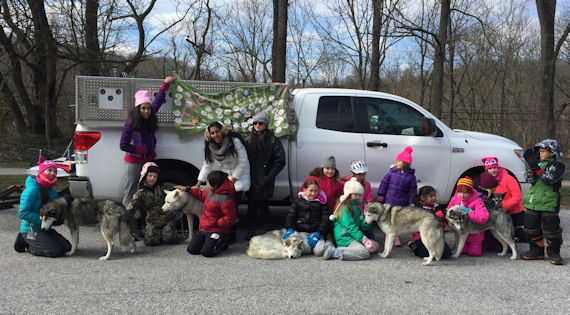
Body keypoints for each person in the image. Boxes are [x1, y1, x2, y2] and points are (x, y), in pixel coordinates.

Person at [120, 76, 176, 207]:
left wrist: (165, 84)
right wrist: (139, 150)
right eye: (143, 108)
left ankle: (141, 214)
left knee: (146, 188)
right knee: (131, 189)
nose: (146, 111)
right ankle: (126, 214)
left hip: (148, 160)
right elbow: (123, 144)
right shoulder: (131, 123)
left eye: (148, 108)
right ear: (138, 108)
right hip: (134, 162)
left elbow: (158, 101)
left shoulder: (150, 116)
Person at [195, 121, 250, 241]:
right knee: (222, 206)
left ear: (222, 131)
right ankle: (222, 233)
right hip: (225, 175)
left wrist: (233, 180)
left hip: (239, 174)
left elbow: (243, 162)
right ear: (209, 135)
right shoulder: (210, 145)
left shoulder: (234, 142)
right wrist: (199, 183)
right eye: (212, 133)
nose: (215, 135)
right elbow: (207, 164)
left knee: (232, 206)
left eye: (217, 132)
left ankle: (231, 236)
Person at [13, 157, 71, 257]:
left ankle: (36, 241)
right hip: (31, 229)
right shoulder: (31, 190)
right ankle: (26, 243)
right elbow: (23, 213)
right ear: (41, 172)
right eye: (49, 170)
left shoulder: (52, 191)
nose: (52, 173)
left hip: (45, 229)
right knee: (54, 251)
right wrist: (44, 221)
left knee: (66, 247)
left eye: (54, 171)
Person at [521, 139, 565, 265]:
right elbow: (529, 179)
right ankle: (536, 250)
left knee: (551, 229)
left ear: (552, 153)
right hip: (533, 201)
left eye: (543, 151)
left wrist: (536, 168)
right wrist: (532, 167)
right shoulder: (538, 164)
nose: (540, 154)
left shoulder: (558, 166)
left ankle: (554, 253)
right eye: (539, 152)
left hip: (549, 203)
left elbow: (549, 179)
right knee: (530, 227)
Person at [244, 111, 286, 240]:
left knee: (263, 206)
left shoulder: (273, 140)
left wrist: (269, 176)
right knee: (251, 206)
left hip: (265, 178)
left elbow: (280, 160)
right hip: (251, 178)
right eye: (255, 123)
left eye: (260, 123)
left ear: (266, 124)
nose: (257, 125)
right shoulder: (248, 138)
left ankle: (266, 231)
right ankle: (250, 231)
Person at [127, 162, 186, 245]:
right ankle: (158, 234)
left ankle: (168, 233)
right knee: (151, 241)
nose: (152, 178)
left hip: (167, 217)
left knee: (168, 238)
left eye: (155, 176)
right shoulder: (140, 193)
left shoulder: (162, 188)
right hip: (153, 220)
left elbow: (175, 199)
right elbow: (131, 210)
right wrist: (133, 201)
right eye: (150, 176)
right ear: (144, 176)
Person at [323, 178, 379, 260]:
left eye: (359, 195)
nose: (358, 197)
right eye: (355, 195)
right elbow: (351, 227)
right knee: (365, 253)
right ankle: (335, 252)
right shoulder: (344, 208)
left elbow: (363, 226)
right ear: (348, 194)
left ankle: (350, 250)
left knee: (375, 246)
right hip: (345, 238)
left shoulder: (357, 207)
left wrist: (368, 220)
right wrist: (364, 240)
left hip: (353, 236)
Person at [184, 171, 237, 257]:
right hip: (204, 228)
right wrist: (188, 189)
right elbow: (200, 195)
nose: (206, 183)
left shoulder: (226, 199)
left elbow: (230, 219)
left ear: (215, 185)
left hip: (217, 230)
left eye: (208, 182)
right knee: (192, 250)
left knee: (207, 252)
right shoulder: (210, 192)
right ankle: (209, 241)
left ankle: (223, 241)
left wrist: (215, 222)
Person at [283, 176, 334, 257]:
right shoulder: (298, 201)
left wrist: (319, 233)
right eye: (311, 191)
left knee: (318, 252)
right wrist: (290, 228)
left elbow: (325, 220)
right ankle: (314, 247)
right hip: (302, 232)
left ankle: (329, 244)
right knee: (305, 249)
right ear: (304, 190)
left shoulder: (322, 203)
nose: (313, 193)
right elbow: (291, 215)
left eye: (316, 191)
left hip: (315, 232)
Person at [377, 146, 417, 246]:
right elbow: (384, 183)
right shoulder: (391, 173)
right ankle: (389, 236)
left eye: (400, 161)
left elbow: (412, 191)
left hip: (401, 203)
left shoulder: (411, 177)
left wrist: (411, 202)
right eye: (397, 161)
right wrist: (381, 194)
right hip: (389, 200)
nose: (397, 163)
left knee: (397, 221)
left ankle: (396, 236)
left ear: (406, 163)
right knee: (388, 219)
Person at [481, 157, 525, 242]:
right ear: (486, 170)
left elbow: (517, 196)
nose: (493, 170)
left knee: (518, 236)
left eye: (494, 168)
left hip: (514, 212)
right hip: (498, 212)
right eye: (490, 168)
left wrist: (504, 207)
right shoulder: (487, 181)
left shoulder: (509, 179)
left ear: (498, 168)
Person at [447, 176, 489, 257]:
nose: (462, 195)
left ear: (470, 192)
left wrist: (469, 212)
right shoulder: (454, 199)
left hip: (475, 234)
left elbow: (483, 218)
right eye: (460, 192)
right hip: (461, 233)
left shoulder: (477, 201)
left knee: (474, 253)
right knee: (462, 252)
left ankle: (482, 244)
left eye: (465, 192)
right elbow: (449, 213)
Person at [409, 186, 452, 259]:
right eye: (431, 196)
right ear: (423, 198)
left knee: (446, 254)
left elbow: (441, 221)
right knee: (428, 254)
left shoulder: (436, 207)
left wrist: (446, 226)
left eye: (434, 196)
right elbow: (428, 227)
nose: (434, 198)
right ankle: (414, 247)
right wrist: (443, 229)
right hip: (422, 237)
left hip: (436, 236)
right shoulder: (419, 210)